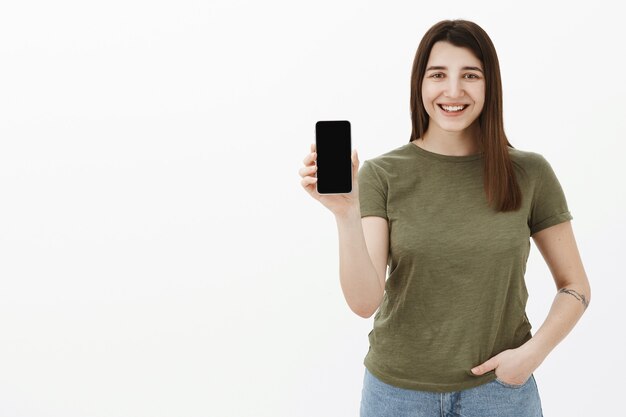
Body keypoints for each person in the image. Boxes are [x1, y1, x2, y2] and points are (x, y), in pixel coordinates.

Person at [298, 19, 591, 417]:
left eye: (470, 75)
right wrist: (346, 213)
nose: (453, 91)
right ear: (420, 83)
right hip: (397, 395)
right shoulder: (383, 174)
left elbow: (575, 286)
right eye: (438, 75)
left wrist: (531, 355)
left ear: (490, 85)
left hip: (500, 393)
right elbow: (365, 303)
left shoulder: (529, 173)